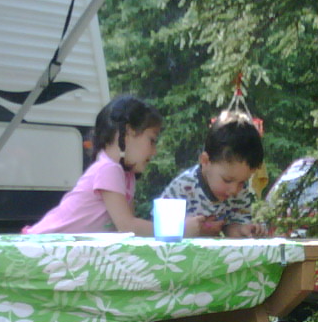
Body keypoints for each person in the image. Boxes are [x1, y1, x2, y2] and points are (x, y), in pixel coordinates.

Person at [24, 95, 210, 236]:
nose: (154, 152)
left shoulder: (125, 176)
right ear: (128, 133)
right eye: (151, 140)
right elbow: (128, 227)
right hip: (42, 245)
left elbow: (125, 234)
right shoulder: (108, 169)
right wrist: (179, 230)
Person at [158, 109, 266, 238]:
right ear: (205, 161)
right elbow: (158, 232)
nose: (234, 190)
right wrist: (186, 230)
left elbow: (232, 227)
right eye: (227, 180)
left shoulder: (239, 191)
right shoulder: (182, 188)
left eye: (243, 182)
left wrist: (243, 230)